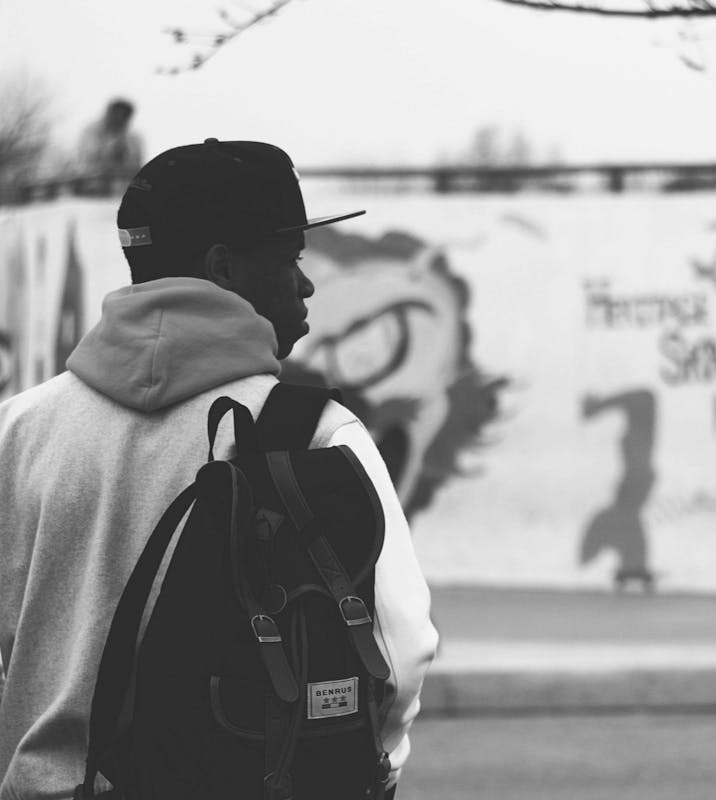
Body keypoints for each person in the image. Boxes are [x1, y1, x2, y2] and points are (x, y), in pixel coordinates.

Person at [0, 138, 439, 797]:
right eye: (290, 256)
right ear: (224, 267)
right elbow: (400, 652)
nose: (307, 281)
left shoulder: (18, 427)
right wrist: (380, 767)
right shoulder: (315, 434)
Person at [76, 98, 144, 176]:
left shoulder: (133, 138)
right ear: (110, 113)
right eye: (116, 113)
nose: (119, 117)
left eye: (124, 114)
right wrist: (110, 150)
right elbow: (86, 156)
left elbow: (136, 163)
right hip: (92, 178)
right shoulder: (92, 131)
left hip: (121, 180)